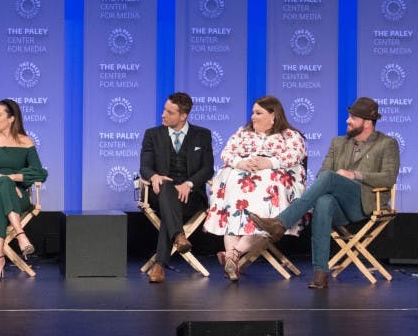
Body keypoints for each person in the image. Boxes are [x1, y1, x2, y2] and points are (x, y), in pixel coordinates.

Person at [251, 97, 400, 289]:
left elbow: (388, 178)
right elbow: (322, 174)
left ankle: (281, 222)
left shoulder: (387, 144)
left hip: (366, 201)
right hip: (339, 205)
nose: (348, 120)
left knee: (330, 178)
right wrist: (337, 179)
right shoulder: (338, 143)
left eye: (353, 117)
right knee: (323, 201)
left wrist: (354, 175)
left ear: (367, 122)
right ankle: (321, 271)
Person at [204, 95, 306, 281]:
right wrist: (240, 163)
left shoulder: (290, 135)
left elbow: (295, 156)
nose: (253, 117)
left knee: (265, 198)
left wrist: (269, 162)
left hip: (273, 178)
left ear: (273, 115)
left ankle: (232, 256)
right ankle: (233, 259)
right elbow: (227, 152)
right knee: (232, 186)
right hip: (242, 176)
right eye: (252, 112)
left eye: (258, 113)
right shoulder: (243, 133)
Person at [139, 92, 214, 283]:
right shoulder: (152, 134)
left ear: (183, 116)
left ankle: (160, 264)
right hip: (161, 192)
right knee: (166, 188)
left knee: (169, 212)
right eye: (164, 109)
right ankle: (178, 237)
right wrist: (154, 176)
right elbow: (145, 167)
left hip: (191, 196)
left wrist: (189, 184)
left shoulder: (202, 135)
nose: (163, 115)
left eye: (169, 112)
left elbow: (207, 169)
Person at [0, 98, 48, 280]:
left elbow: (40, 173)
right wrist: (1, 180)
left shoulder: (26, 143)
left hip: (16, 195)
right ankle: (21, 234)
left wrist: (13, 178)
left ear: (12, 118)